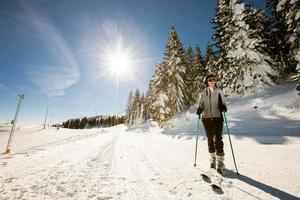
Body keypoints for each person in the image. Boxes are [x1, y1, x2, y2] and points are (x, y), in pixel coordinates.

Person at [197, 74, 227, 175]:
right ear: (206, 81)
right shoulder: (202, 93)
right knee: (210, 139)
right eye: (210, 80)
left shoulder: (219, 91)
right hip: (206, 119)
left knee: (218, 139)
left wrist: (223, 107)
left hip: (218, 118)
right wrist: (199, 109)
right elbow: (200, 104)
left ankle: (220, 161)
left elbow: (223, 103)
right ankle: (213, 159)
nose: (213, 81)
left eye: (214, 79)